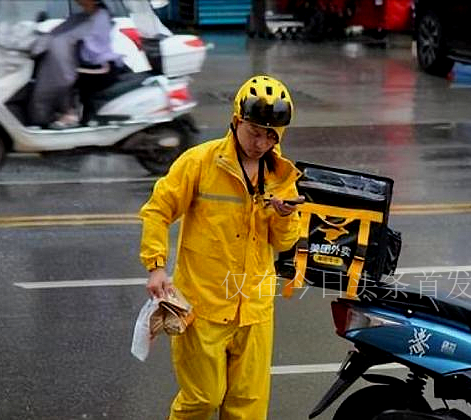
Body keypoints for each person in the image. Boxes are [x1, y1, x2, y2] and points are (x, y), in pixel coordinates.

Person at [139, 75, 303, 420]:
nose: (261, 143)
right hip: (203, 308)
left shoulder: (282, 177)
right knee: (203, 399)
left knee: (247, 408)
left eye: (270, 135)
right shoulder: (200, 162)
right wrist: (156, 265)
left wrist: (286, 216)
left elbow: (285, 242)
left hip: (255, 310)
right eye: (254, 131)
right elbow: (158, 209)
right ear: (237, 120)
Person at [29, 0, 123, 128]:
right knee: (56, 69)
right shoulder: (83, 16)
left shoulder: (98, 17)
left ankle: (69, 113)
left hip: (101, 66)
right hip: (90, 62)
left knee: (61, 74)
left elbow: (69, 38)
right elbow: (57, 33)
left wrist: (50, 44)